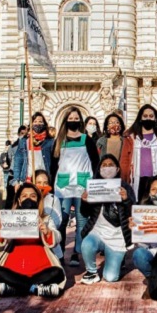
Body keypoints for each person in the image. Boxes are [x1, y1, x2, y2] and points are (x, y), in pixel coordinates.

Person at [0, 183, 65, 298]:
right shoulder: (10, 218)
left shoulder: (46, 218)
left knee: (57, 273)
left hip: (41, 267)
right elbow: (0, 241)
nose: (28, 199)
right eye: (24, 196)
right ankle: (35, 288)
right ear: (19, 200)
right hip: (14, 267)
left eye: (33, 196)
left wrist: (47, 231)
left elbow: (58, 237)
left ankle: (15, 288)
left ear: (38, 199)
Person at [50, 106, 100, 267]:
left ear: (80, 120)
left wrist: (93, 185)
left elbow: (95, 163)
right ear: (66, 121)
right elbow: (53, 165)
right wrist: (51, 186)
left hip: (82, 186)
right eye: (70, 119)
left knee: (81, 220)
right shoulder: (60, 141)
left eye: (75, 118)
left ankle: (77, 253)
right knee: (61, 220)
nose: (73, 121)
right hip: (63, 187)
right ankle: (60, 253)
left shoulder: (87, 140)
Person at [80, 155, 135, 284]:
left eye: (111, 164)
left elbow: (133, 214)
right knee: (87, 244)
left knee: (110, 277)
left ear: (117, 169)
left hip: (117, 236)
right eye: (104, 165)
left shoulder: (125, 187)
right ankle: (91, 272)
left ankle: (117, 259)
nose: (107, 167)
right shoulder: (93, 186)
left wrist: (126, 200)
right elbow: (84, 212)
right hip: (98, 232)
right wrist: (84, 201)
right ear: (99, 169)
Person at [120, 104, 157, 198]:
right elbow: (124, 161)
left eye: (151, 116)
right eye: (145, 116)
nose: (148, 118)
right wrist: (123, 180)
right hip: (138, 179)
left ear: (155, 118)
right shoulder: (132, 137)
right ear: (140, 118)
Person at [11, 114, 54, 210]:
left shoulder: (50, 141)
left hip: (43, 181)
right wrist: (16, 181)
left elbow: (54, 162)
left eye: (40, 121)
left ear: (44, 124)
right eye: (35, 122)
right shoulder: (24, 141)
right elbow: (18, 161)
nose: (38, 124)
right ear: (31, 124)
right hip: (28, 179)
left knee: (43, 206)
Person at [34, 169, 64, 259]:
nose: (42, 186)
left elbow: (57, 222)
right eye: (38, 182)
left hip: (50, 248)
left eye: (45, 183)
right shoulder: (27, 200)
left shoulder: (54, 199)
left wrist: (44, 224)